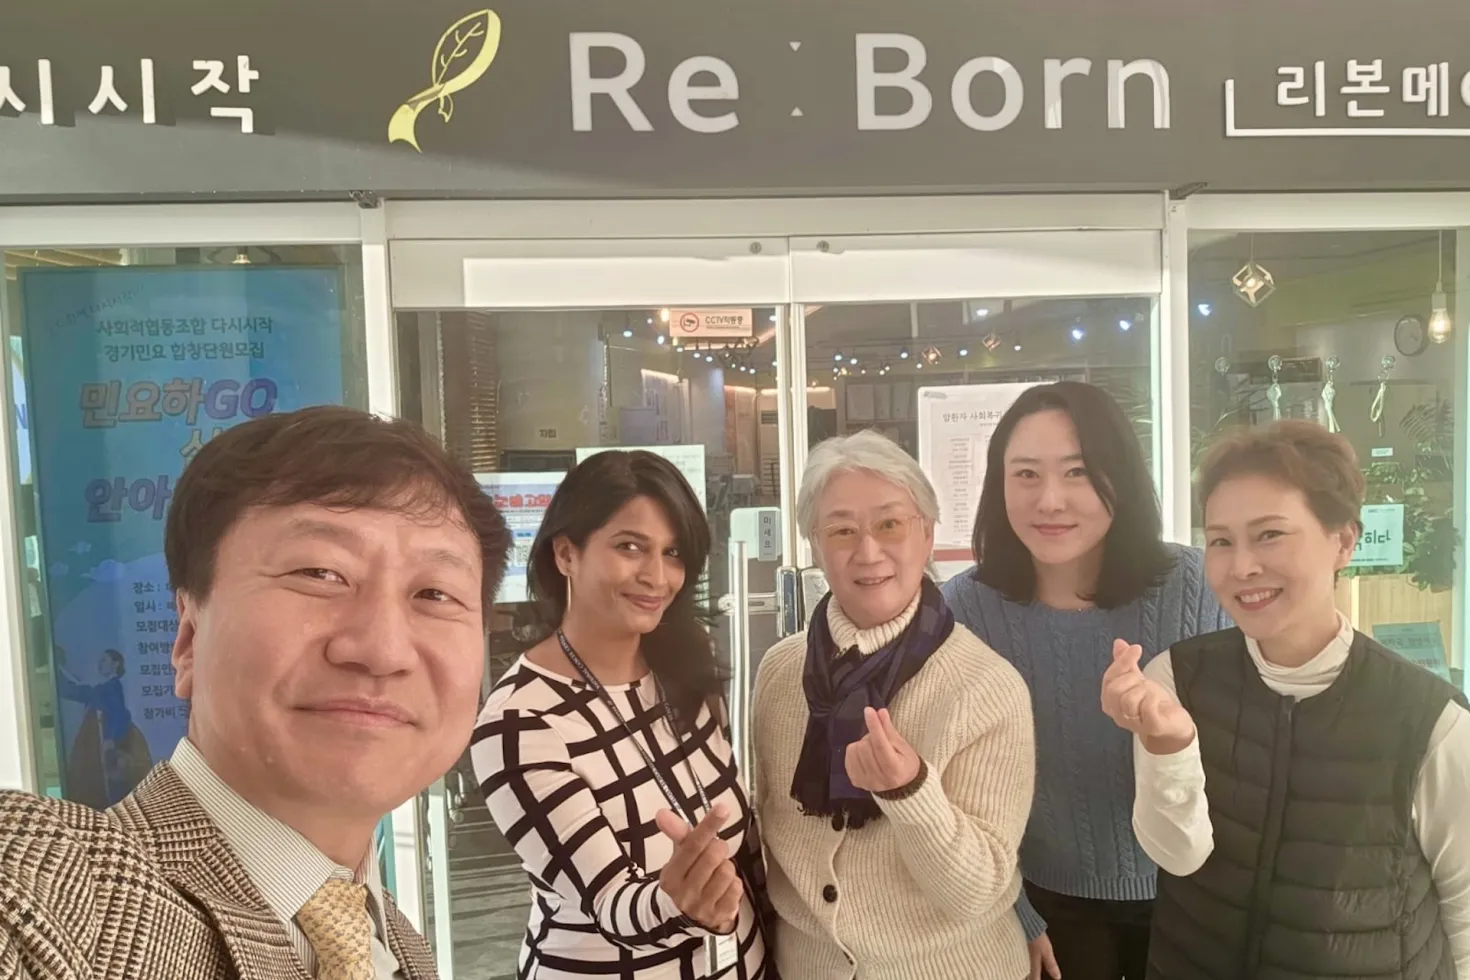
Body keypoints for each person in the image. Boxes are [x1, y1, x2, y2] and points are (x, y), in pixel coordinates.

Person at [0, 405, 512, 980]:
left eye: (436, 594)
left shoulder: (397, 946)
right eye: (319, 573)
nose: (383, 649)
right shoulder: (55, 896)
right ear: (188, 637)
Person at [1102, 419, 1470, 979]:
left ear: (1343, 541)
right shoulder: (1175, 679)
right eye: (1221, 541)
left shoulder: (1434, 722)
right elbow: (1178, 855)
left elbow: (1464, 910)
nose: (1242, 566)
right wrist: (1167, 746)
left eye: (1270, 534)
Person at [941, 381, 1230, 980]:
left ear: (1119, 476)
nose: (1050, 500)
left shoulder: (1197, 585)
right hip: (1044, 905)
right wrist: (1013, 913)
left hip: (1195, 892)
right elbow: (954, 788)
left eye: (1077, 472)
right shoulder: (963, 610)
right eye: (1025, 474)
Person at [472, 449, 771, 980]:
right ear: (566, 553)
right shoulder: (520, 721)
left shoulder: (684, 666)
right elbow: (611, 903)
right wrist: (677, 901)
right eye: (630, 546)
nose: (657, 576)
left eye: (673, 552)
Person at [755, 429, 1035, 980]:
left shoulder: (986, 686)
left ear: (927, 534)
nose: (868, 552)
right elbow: (771, 834)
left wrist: (909, 791)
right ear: (815, 546)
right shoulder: (781, 672)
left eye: (890, 525)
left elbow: (979, 891)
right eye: (841, 530)